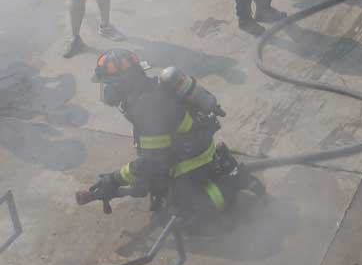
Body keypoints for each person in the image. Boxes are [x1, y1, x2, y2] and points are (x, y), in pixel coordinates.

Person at [82, 49, 264, 227]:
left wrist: (114, 179)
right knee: (161, 192)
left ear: (121, 84)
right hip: (191, 152)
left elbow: (153, 164)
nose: (106, 91)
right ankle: (222, 167)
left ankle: (233, 180)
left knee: (184, 216)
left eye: (108, 84)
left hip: (192, 163)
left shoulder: (146, 108)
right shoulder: (149, 91)